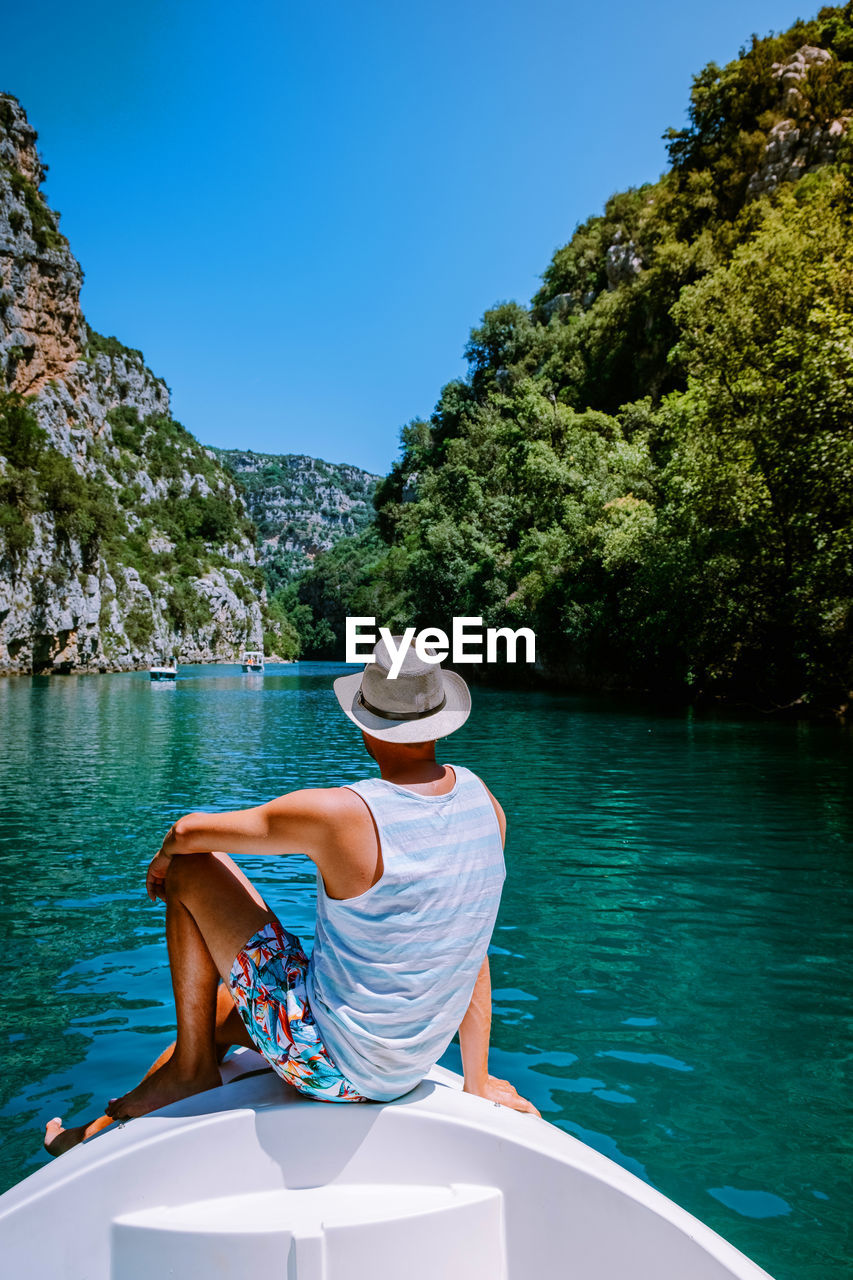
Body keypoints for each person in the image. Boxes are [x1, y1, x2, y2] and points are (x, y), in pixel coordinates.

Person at [44, 637, 538, 1156]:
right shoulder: (487, 805)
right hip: (407, 1065)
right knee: (216, 1014)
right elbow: (470, 947)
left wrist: (165, 857)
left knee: (193, 870)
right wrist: (476, 1079)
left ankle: (187, 1076)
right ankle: (103, 1126)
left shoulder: (344, 815)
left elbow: (189, 833)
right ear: (440, 720)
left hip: (330, 1067)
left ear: (365, 725)